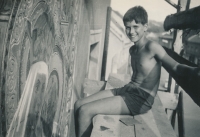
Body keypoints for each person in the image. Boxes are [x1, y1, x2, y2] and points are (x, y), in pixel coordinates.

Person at [74, 6, 200, 137]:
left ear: (145, 27)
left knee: (85, 111)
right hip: (128, 90)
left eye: (135, 27)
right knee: (79, 104)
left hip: (141, 99)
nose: (131, 31)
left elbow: (175, 67)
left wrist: (195, 71)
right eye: (127, 27)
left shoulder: (152, 47)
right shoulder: (132, 50)